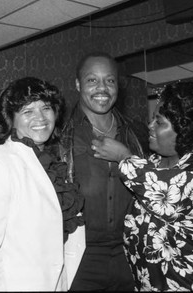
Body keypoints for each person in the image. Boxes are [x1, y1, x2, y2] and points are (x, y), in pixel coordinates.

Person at [92, 81, 193, 291]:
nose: (150, 125)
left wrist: (123, 156)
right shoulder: (153, 163)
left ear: (186, 127)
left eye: (159, 122)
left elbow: (167, 196)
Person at [0, 77, 85, 291]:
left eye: (46, 108)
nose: (40, 117)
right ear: (11, 118)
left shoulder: (52, 165)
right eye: (27, 111)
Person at [59, 52, 149, 291]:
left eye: (109, 80)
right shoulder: (60, 136)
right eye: (92, 80)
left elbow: (154, 186)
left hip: (128, 254)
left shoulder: (137, 134)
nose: (102, 88)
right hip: (79, 255)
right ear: (78, 84)